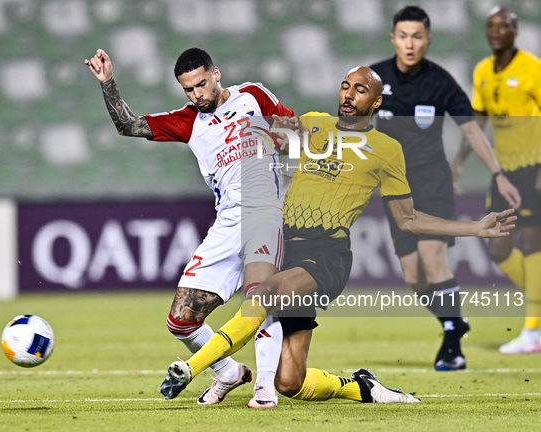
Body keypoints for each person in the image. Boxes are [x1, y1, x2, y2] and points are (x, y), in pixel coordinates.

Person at [159, 66, 517, 404]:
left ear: (376, 102)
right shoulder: (313, 125)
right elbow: (257, 140)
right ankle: (361, 387)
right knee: (291, 383)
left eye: (361, 90)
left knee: (264, 294)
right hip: (287, 250)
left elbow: (407, 219)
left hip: (326, 254)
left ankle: (190, 369)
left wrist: (473, 227)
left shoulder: (386, 150)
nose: (348, 95)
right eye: (346, 86)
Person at [85, 47, 297, 407]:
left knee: (259, 298)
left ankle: (264, 387)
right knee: (180, 321)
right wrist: (107, 82)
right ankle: (229, 372)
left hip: (265, 212)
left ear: (216, 73)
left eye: (201, 84)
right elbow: (129, 126)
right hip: (227, 221)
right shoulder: (187, 121)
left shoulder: (254, 96)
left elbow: (298, 135)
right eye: (188, 90)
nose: (197, 95)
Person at [369, 6, 521, 371]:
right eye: (403, 36)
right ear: (393, 38)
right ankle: (452, 319)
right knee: (412, 276)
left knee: (434, 258)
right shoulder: (375, 79)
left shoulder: (439, 81)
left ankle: (452, 344)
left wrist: (497, 172)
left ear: (428, 40)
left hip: (432, 180)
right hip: (395, 187)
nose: (410, 43)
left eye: (417, 37)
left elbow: (470, 128)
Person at [453, 7, 541, 354]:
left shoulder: (532, 68)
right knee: (499, 246)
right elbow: (479, 119)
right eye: (491, 26)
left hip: (534, 166)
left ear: (515, 31)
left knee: (534, 243)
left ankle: (533, 331)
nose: (496, 31)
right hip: (504, 172)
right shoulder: (483, 71)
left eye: (503, 26)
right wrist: (459, 160)